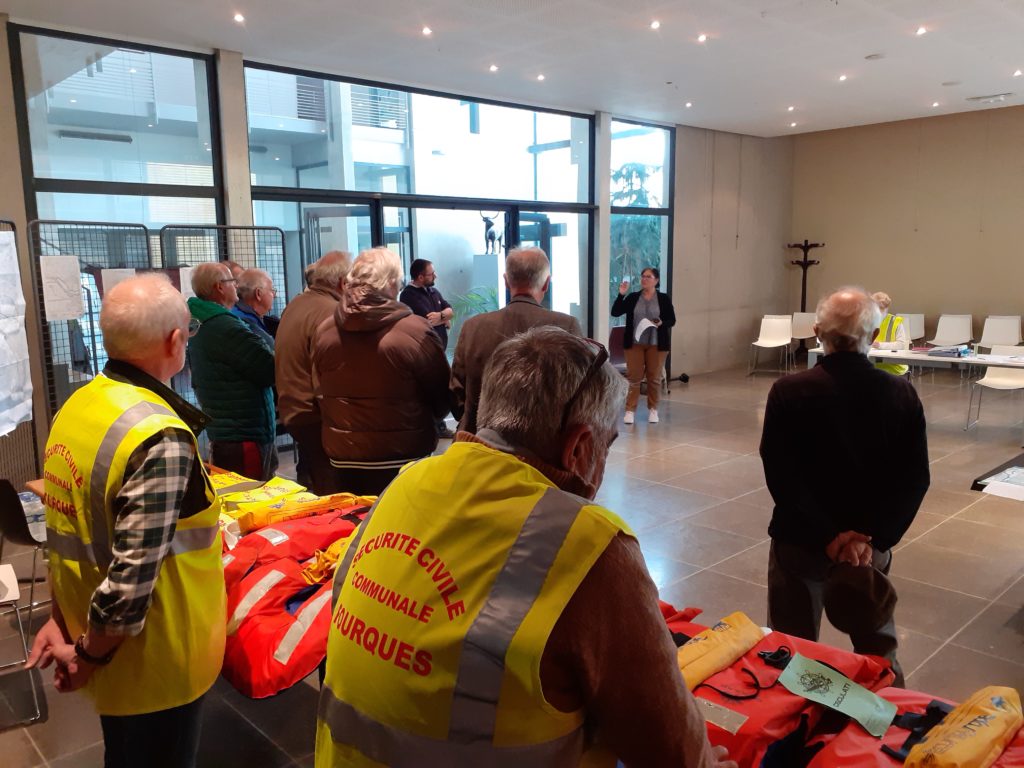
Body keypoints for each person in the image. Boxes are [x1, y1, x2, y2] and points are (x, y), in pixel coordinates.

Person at [315, 327, 735, 767]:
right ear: (579, 448)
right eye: (607, 445)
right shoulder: (588, 546)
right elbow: (671, 751)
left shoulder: (407, 482)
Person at [27, 273, 225, 768]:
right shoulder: (158, 435)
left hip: (96, 635)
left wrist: (60, 619)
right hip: (156, 656)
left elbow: (66, 526)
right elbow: (132, 580)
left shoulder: (80, 404)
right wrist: (87, 655)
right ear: (175, 341)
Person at [759, 287, 930, 686]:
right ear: (872, 334)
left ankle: (793, 730)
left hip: (801, 542)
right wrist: (872, 538)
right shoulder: (900, 394)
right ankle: (890, 722)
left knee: (791, 649)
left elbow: (781, 475)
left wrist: (828, 536)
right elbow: (915, 479)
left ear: (818, 331)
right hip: (869, 550)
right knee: (878, 650)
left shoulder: (788, 392)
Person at [313, 247, 450, 496]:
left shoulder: (324, 330)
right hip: (403, 457)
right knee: (401, 531)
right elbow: (442, 400)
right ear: (389, 283)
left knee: (354, 529)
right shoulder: (415, 332)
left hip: (343, 456)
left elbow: (320, 389)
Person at [450, 246, 582, 434]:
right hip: (542, 449)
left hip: (479, 441)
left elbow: (456, 393)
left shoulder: (473, 327)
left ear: (506, 281)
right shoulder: (566, 326)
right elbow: (581, 395)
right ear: (546, 283)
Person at [187, 261, 278, 480]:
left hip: (228, 431)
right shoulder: (225, 327)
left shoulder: (201, 321)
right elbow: (269, 369)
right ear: (219, 287)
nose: (237, 286)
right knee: (251, 496)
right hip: (243, 434)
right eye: (232, 281)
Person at [276, 250, 351, 494]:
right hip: (317, 418)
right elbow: (331, 375)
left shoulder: (296, 304)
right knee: (334, 496)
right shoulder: (331, 312)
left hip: (296, 412)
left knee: (312, 480)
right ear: (342, 283)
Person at [399, 258, 456, 439]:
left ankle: (439, 426)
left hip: (439, 350)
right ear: (420, 276)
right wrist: (443, 317)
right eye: (432, 274)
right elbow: (427, 319)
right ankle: (434, 427)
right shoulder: (408, 295)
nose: (436, 276)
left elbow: (449, 309)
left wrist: (443, 315)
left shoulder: (432, 291)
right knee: (431, 391)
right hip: (424, 351)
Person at [612, 266, 676, 425]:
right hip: (634, 343)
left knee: (654, 378)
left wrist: (662, 323)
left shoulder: (663, 299)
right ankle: (629, 410)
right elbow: (615, 312)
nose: (644, 279)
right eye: (642, 276)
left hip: (656, 343)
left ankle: (653, 409)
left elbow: (672, 320)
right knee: (634, 377)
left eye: (648, 277)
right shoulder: (633, 297)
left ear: (656, 280)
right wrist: (621, 294)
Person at [231, 268, 278, 348]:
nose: (275, 296)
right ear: (258, 293)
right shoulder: (246, 322)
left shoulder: (236, 312)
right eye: (272, 290)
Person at [871, 291, 909, 376]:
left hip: (893, 366)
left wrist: (880, 345)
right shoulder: (868, 320)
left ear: (885, 308)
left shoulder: (895, 321)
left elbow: (901, 345)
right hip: (872, 364)